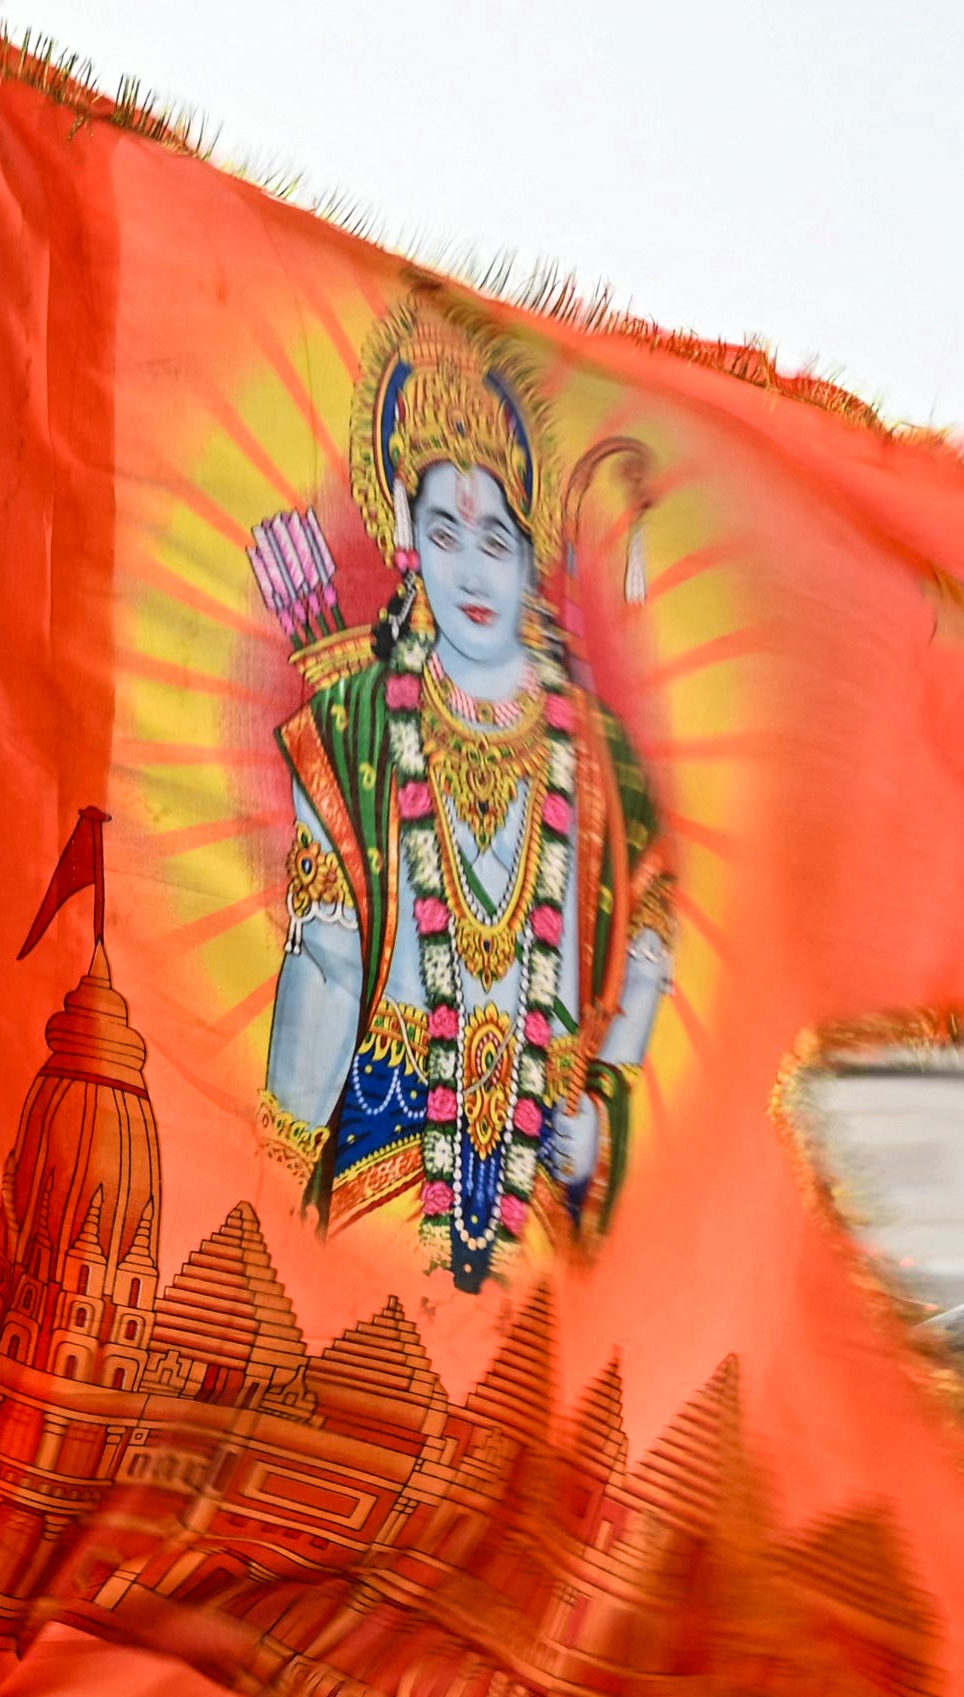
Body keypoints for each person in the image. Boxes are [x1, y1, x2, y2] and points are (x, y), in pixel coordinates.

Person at [244, 290, 675, 1295]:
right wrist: (269, 1187)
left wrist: (596, 1114)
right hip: (380, 1173)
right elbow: (324, 967)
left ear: (532, 560)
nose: (471, 570)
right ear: (407, 536)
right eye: (445, 533)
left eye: (496, 542)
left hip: (542, 1197)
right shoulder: (351, 724)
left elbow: (642, 969)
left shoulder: (602, 758)